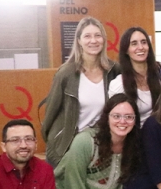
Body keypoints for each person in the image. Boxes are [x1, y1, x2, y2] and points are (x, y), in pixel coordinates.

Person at [108, 27, 161, 189]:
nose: (140, 47)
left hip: (158, 147)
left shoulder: (159, 75)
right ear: (126, 50)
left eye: (144, 42)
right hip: (132, 151)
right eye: (134, 43)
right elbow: (112, 116)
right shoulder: (119, 82)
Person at [43, 16, 121, 167]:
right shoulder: (65, 73)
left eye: (97, 35)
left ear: (104, 39)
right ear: (79, 41)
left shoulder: (114, 70)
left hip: (100, 148)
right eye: (87, 36)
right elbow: (50, 114)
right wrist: (54, 143)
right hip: (68, 149)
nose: (93, 40)